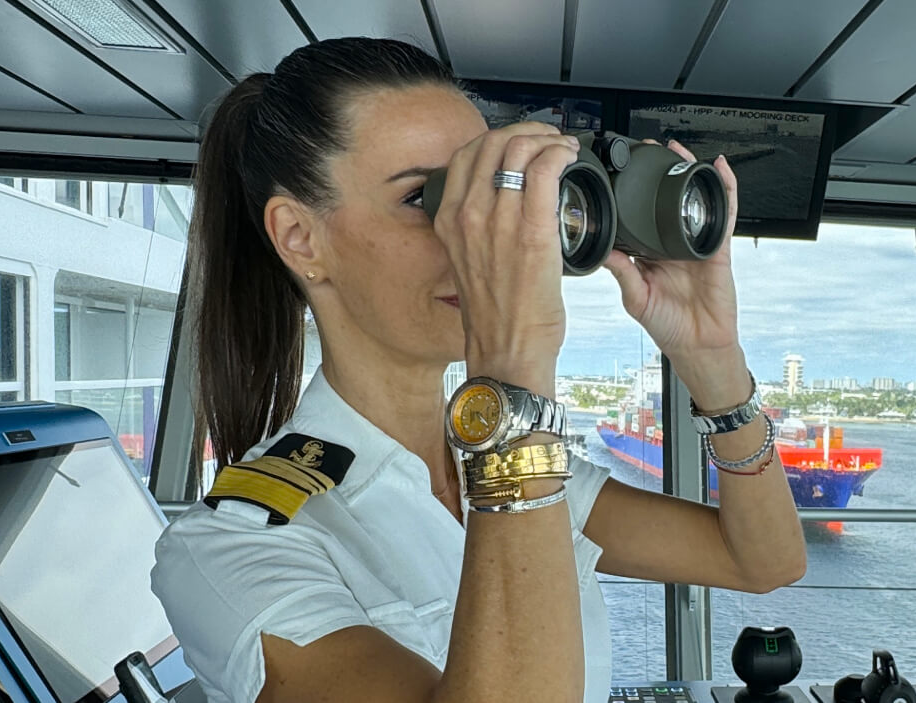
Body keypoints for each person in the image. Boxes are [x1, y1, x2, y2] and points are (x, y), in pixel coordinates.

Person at [150, 37, 806, 703]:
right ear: (300, 236)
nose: (474, 233)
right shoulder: (226, 550)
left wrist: (711, 356)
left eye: (489, 193)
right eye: (425, 197)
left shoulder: (530, 478)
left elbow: (764, 559)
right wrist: (513, 369)